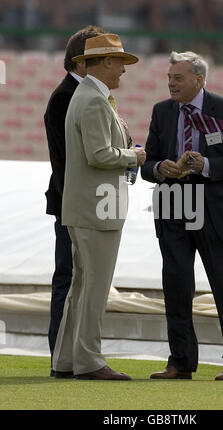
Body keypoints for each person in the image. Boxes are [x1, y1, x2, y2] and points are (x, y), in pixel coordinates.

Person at [141, 51, 223, 381]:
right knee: (176, 286)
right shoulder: (162, 111)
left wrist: (207, 165)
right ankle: (180, 362)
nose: (171, 83)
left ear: (198, 80)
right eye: (169, 77)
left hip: (215, 210)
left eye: (178, 78)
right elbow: (146, 164)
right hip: (174, 205)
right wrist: (159, 167)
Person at [52, 33, 146, 380]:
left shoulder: (90, 96)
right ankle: (89, 360)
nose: (124, 69)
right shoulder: (93, 100)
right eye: (120, 62)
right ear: (106, 62)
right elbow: (100, 155)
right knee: (94, 288)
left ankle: (66, 359)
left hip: (90, 207)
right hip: (98, 208)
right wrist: (133, 155)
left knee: (81, 286)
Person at [44, 25, 105, 374]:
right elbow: (70, 162)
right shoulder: (69, 97)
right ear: (81, 64)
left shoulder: (80, 94)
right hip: (74, 206)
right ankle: (62, 358)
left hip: (80, 203)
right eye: (100, 60)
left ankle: (67, 357)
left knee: (76, 281)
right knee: (69, 280)